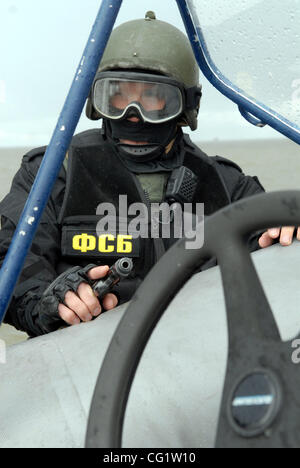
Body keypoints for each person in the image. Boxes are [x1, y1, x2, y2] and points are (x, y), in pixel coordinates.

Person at [0, 12, 298, 337]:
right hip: (82, 369)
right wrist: (47, 301)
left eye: (153, 98)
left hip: (199, 363)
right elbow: (8, 261)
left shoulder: (227, 186)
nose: (133, 115)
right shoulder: (53, 174)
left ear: (184, 105)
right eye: (117, 96)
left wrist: (286, 232)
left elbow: (272, 245)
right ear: (96, 99)